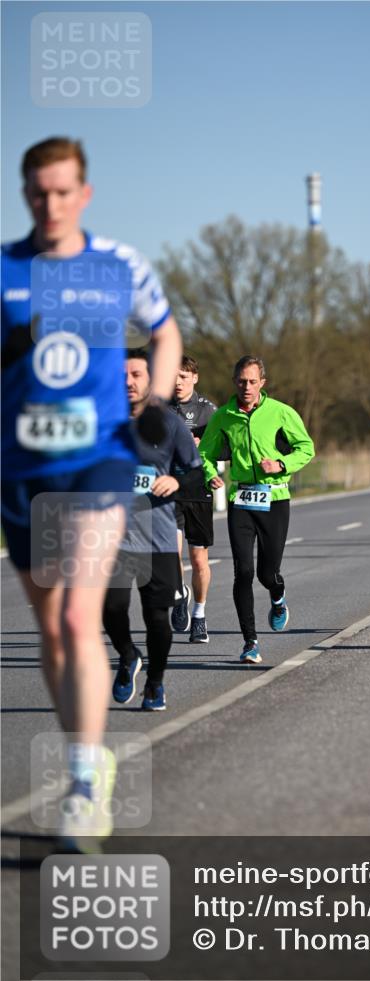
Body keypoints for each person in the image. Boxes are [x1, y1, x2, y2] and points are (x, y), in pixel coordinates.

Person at [1, 137, 181, 849]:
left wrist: (159, 400)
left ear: (85, 193)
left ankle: (83, 781)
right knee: (52, 628)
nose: (51, 204)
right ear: (25, 194)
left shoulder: (117, 265)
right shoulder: (6, 268)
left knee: (79, 617)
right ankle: (83, 753)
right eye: (38, 193)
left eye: (63, 191)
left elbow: (164, 334)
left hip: (100, 460)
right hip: (23, 468)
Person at [103, 350, 203, 711]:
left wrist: (176, 482)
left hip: (157, 539)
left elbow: (195, 472)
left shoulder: (168, 423)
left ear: (150, 379)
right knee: (111, 609)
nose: (128, 382)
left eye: (136, 374)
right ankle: (128, 655)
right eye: (122, 376)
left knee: (156, 616)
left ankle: (155, 683)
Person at [198, 355, 315, 663]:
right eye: (241, 381)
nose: (246, 387)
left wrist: (281, 464)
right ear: (234, 382)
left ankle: (278, 597)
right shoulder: (223, 417)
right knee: (243, 571)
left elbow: (306, 448)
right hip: (242, 501)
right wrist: (210, 475)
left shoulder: (281, 413)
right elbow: (204, 453)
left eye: (252, 381)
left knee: (267, 572)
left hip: (275, 499)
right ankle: (250, 642)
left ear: (262, 382)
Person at [168, 355, 219, 642]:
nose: (177, 382)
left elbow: (223, 448)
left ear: (194, 378)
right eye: (173, 377)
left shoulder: (208, 411)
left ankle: (199, 614)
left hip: (198, 491)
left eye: (183, 377)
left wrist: (204, 445)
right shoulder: (160, 407)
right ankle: (179, 595)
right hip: (169, 491)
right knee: (170, 554)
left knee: (198, 560)